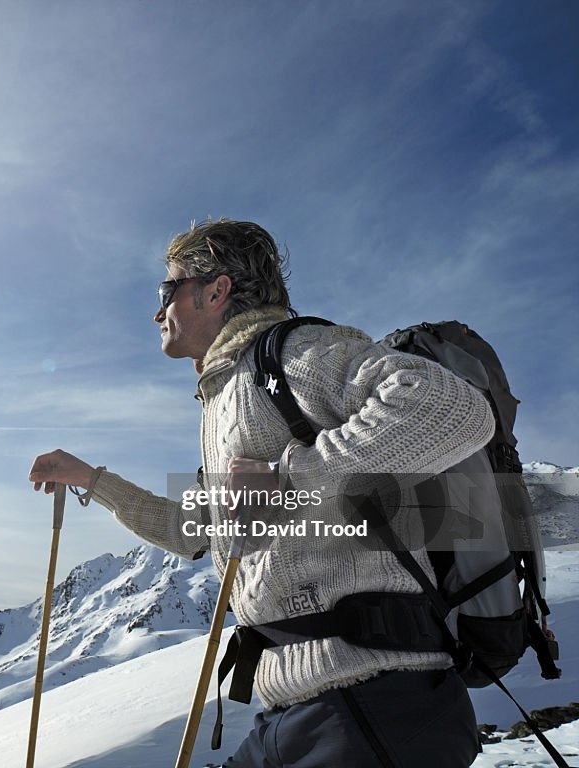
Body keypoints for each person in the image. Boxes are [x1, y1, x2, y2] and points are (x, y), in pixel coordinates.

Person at [28, 219, 494, 767]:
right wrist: (91, 480)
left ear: (215, 289)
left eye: (166, 290)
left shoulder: (294, 354)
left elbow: (451, 406)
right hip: (296, 709)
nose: (158, 312)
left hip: (373, 702)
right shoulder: (223, 397)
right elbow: (191, 529)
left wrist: (286, 480)